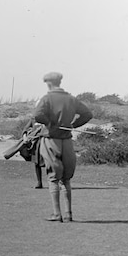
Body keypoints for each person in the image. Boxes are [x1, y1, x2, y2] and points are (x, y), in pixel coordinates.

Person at [32, 72, 93, 222]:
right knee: (66, 179)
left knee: (53, 177)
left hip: (51, 139)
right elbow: (87, 114)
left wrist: (49, 123)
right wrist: (73, 125)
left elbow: (37, 115)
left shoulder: (46, 98)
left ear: (48, 83)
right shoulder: (71, 99)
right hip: (67, 141)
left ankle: (57, 214)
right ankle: (68, 214)